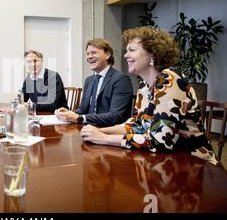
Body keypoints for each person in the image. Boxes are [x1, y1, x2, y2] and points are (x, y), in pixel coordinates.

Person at [80, 26, 219, 166]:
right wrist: (99, 131)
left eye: (132, 50)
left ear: (152, 54)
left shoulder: (170, 80)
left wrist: (104, 138)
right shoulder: (144, 85)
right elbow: (137, 124)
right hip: (163, 161)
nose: (125, 55)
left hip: (192, 164)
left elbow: (161, 140)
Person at [55, 39, 133, 126]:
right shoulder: (89, 80)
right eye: (88, 53)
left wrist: (80, 118)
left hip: (107, 130)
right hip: (88, 127)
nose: (89, 56)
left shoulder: (120, 79)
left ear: (107, 55)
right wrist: (68, 113)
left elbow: (116, 116)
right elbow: (82, 110)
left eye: (94, 52)